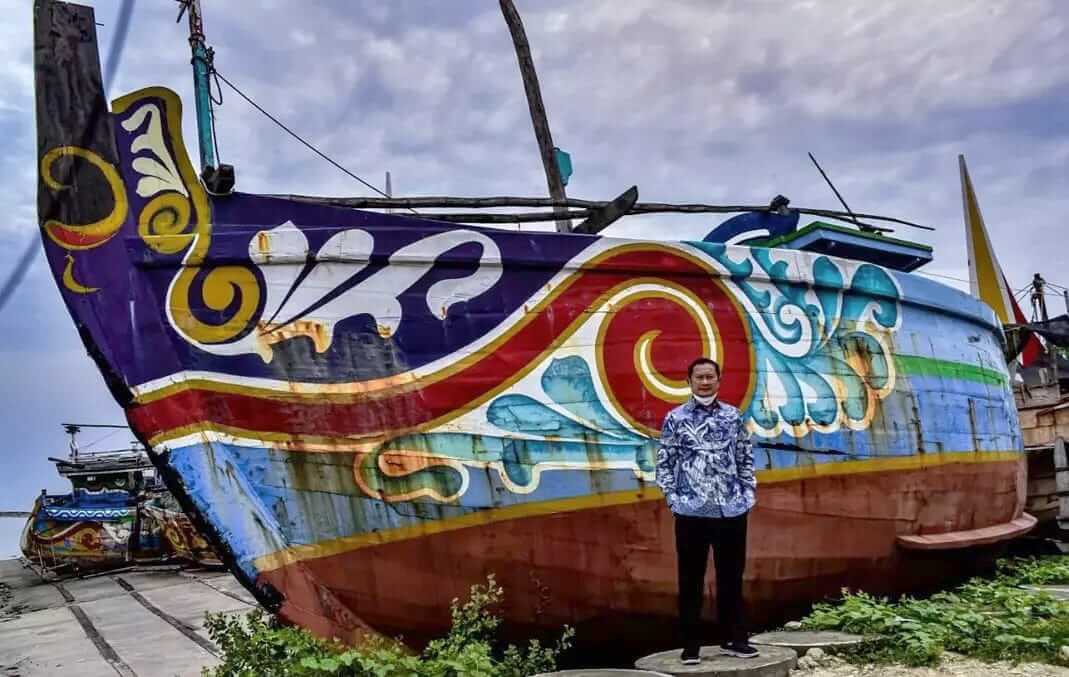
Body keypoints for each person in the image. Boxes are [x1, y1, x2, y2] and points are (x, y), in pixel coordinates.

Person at [655, 356, 758, 665]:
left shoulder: (733, 416)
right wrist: (674, 499)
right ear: (689, 382)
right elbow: (664, 462)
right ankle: (690, 646)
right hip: (691, 512)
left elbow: (744, 456)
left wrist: (747, 494)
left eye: (709, 376)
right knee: (690, 579)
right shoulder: (675, 418)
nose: (704, 381)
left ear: (718, 380)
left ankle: (734, 640)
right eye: (698, 377)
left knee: (731, 578)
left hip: (731, 509)